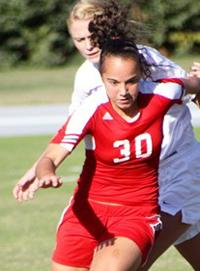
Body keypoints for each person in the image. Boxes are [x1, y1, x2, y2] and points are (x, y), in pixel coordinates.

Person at [13, 0, 200, 269]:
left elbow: (192, 91)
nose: (88, 44)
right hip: (132, 180)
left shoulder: (144, 60)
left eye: (92, 35)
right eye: (79, 39)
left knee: (129, 264)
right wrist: (40, 168)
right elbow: (71, 132)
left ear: (107, 30)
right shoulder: (86, 80)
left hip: (179, 171)